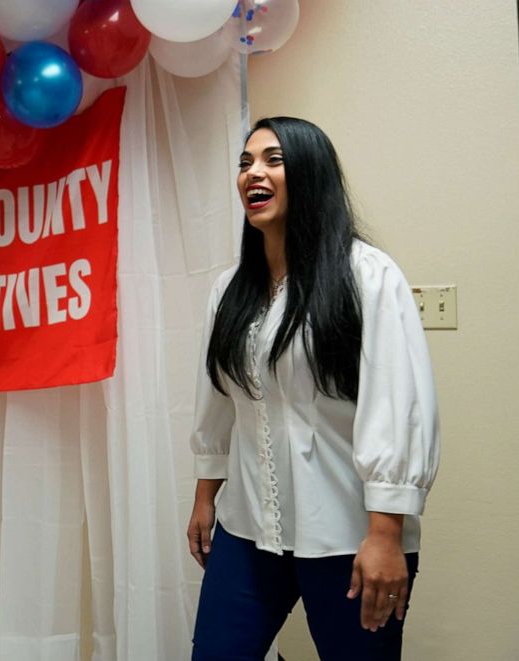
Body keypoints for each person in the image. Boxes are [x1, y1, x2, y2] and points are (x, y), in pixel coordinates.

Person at [187, 117, 440, 661]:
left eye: (273, 159)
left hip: (351, 536)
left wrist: (386, 535)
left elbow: (397, 408)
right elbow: (217, 399)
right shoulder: (229, 289)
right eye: (245, 162)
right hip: (248, 528)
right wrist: (206, 495)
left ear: (312, 174)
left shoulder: (368, 277)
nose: (253, 172)